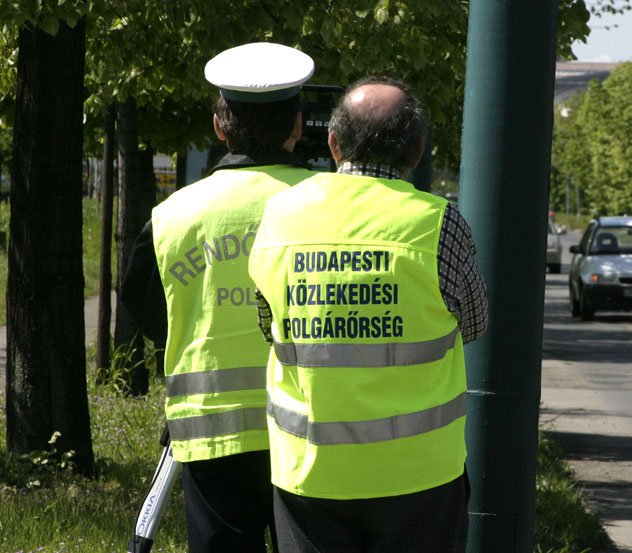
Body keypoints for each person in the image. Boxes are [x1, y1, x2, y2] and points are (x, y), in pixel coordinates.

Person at [248, 76, 488, 553]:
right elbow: (475, 325)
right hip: (420, 476)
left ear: (334, 144)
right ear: (417, 150)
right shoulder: (440, 224)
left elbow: (266, 323)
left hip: (310, 472)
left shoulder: (281, 216)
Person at [120, 42, 317, 552]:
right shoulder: (328, 206)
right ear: (297, 124)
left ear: (219, 126)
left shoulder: (172, 217)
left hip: (212, 430)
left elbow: (140, 302)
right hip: (312, 424)